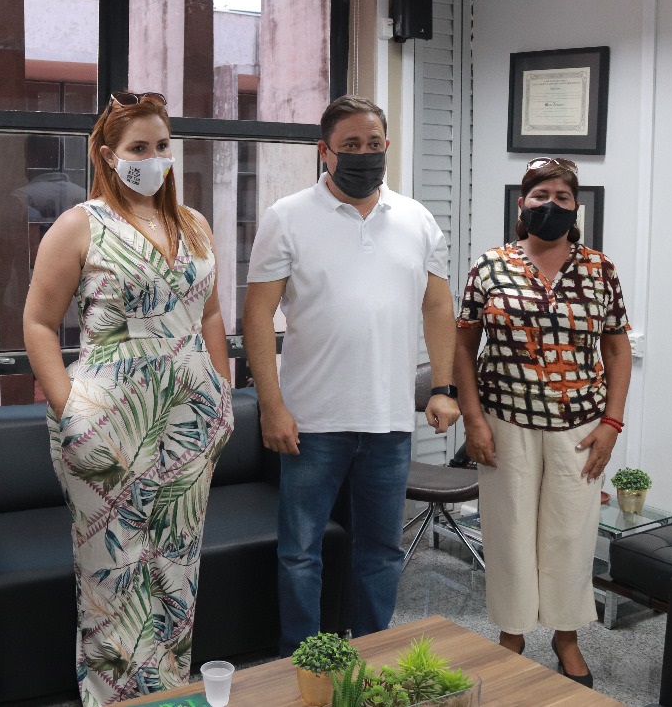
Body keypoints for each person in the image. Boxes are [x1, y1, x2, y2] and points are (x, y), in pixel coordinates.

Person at [22, 91, 233, 707]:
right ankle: (111, 700)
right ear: (108, 155)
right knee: (112, 575)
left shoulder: (194, 225)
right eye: (138, 147)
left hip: (191, 423)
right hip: (109, 423)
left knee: (177, 570)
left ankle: (169, 695)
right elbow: (38, 323)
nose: (152, 157)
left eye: (162, 145)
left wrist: (221, 395)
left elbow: (211, 314)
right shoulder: (79, 224)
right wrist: (71, 412)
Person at [243, 94, 461, 656]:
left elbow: (439, 307)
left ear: (387, 146)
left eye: (373, 143)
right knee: (300, 552)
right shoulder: (287, 216)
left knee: (381, 551)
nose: (365, 153)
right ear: (325, 151)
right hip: (310, 421)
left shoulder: (417, 219)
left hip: (388, 422)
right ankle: (302, 660)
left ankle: (371, 657)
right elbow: (257, 315)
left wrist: (443, 387)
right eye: (351, 145)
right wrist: (272, 406)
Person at [453, 156, 632, 689]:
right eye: (540, 195)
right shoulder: (490, 266)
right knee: (508, 530)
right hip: (504, 421)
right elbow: (463, 347)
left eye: (562, 197)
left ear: (576, 208)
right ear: (521, 204)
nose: (550, 205)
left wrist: (612, 422)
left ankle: (565, 634)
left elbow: (617, 350)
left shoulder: (600, 269)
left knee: (571, 533)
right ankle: (511, 633)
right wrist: (473, 420)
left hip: (580, 426)